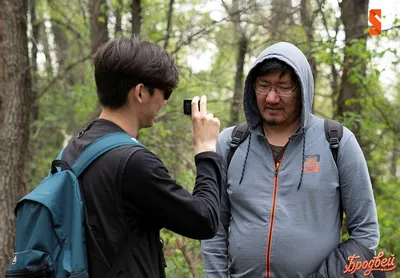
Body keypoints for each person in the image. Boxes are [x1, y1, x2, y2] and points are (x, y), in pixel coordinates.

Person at [201, 42, 380, 277]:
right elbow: (214, 228)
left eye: (284, 87)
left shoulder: (337, 143)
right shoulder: (231, 143)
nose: (272, 98)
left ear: (302, 89)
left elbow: (365, 234)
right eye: (263, 86)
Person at [61, 36, 224, 277]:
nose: (165, 101)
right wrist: (206, 150)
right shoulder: (134, 163)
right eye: (164, 91)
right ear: (140, 92)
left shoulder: (75, 148)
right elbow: (205, 220)